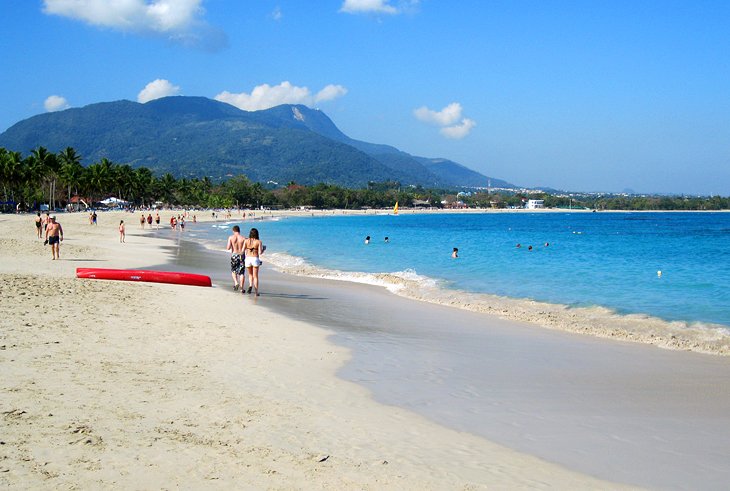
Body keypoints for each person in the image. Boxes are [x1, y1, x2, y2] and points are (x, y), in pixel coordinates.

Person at [243, 228, 264, 296]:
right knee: (255, 276)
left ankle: (250, 285)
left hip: (248, 258)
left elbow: (243, 250)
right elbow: (260, 252)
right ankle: (256, 292)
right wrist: (264, 249)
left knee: (250, 274)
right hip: (255, 258)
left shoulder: (246, 241)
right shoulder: (258, 241)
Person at [226, 225, 246, 291]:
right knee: (241, 272)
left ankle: (236, 282)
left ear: (233, 231)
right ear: (239, 231)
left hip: (234, 255)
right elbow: (246, 248)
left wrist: (232, 245)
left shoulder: (231, 237)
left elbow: (228, 247)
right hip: (241, 255)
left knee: (233, 270)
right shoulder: (243, 238)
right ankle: (241, 288)